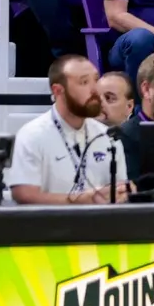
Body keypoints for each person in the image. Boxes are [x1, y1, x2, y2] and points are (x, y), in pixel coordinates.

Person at [8, 56, 130, 204]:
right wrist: (83, 200)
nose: (95, 90)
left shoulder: (107, 136)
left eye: (95, 80)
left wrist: (123, 192)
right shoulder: (32, 135)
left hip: (99, 218)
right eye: (84, 82)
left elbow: (119, 190)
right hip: (49, 219)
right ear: (58, 91)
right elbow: (24, 195)